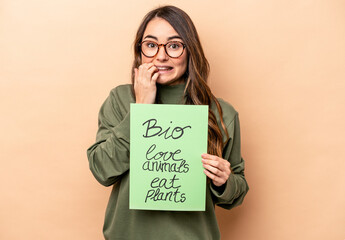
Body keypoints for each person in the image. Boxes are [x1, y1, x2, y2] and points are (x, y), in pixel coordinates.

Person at [87, 5, 249, 240]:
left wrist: (226, 181)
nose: (161, 56)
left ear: (190, 51)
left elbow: (238, 191)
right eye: (151, 45)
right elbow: (102, 169)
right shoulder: (120, 100)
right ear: (140, 50)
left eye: (174, 46)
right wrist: (141, 108)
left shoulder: (222, 112)